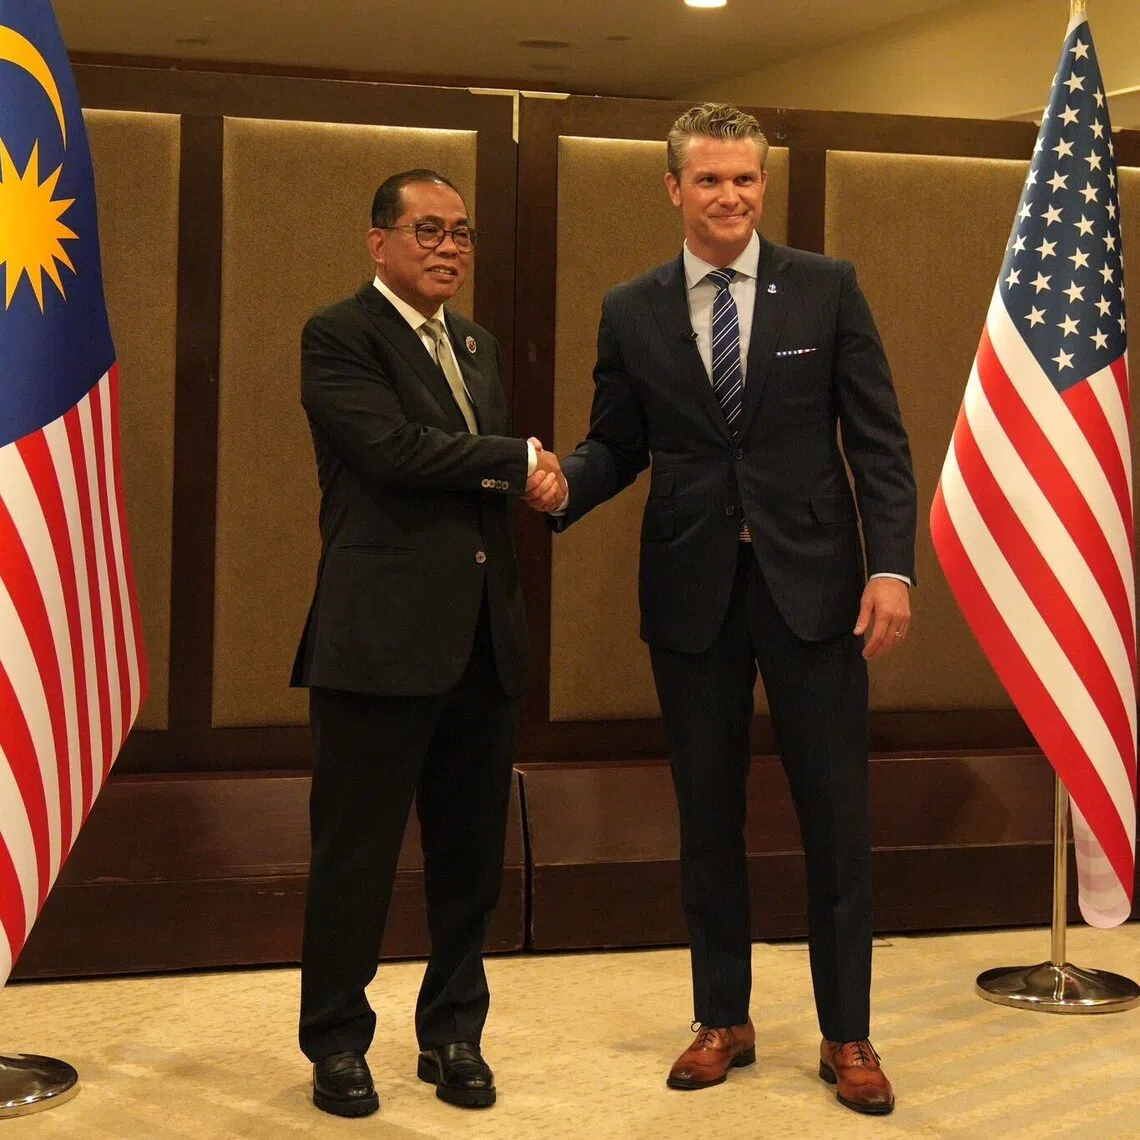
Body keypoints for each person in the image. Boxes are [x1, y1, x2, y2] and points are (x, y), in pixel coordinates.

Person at [529, 103, 916, 1116]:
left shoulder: (828, 289)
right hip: (693, 594)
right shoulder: (634, 307)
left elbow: (878, 442)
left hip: (818, 590)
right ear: (674, 188)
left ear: (762, 185)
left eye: (745, 179)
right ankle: (722, 1018)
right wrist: (569, 484)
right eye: (710, 180)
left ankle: (848, 1034)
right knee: (708, 817)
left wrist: (893, 569)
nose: (731, 196)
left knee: (837, 819)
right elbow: (618, 442)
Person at [291, 168, 565, 1118]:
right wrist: (516, 460)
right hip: (378, 641)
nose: (448, 248)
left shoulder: (480, 346)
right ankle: (334, 1038)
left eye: (461, 234)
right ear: (379, 242)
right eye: (427, 231)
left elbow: (473, 480)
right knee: (355, 854)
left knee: (468, 859)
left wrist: (527, 478)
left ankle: (453, 1031)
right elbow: (392, 452)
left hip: (484, 643)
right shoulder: (339, 335)